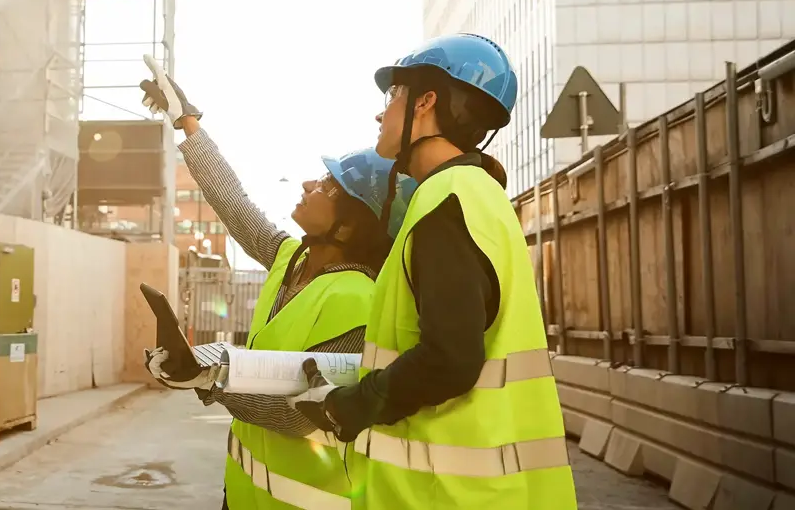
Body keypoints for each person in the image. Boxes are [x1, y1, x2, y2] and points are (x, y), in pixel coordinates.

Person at [296, 33, 578, 509]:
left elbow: (450, 359)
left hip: (443, 495)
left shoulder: (445, 204)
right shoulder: (477, 195)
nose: (380, 114)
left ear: (426, 101)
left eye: (393, 97)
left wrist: (351, 406)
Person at [137, 56, 415, 510]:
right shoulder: (291, 257)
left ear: (347, 229)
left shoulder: (361, 300)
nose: (309, 182)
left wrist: (209, 378)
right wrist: (188, 123)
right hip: (245, 494)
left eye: (327, 185)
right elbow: (234, 203)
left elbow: (300, 415)